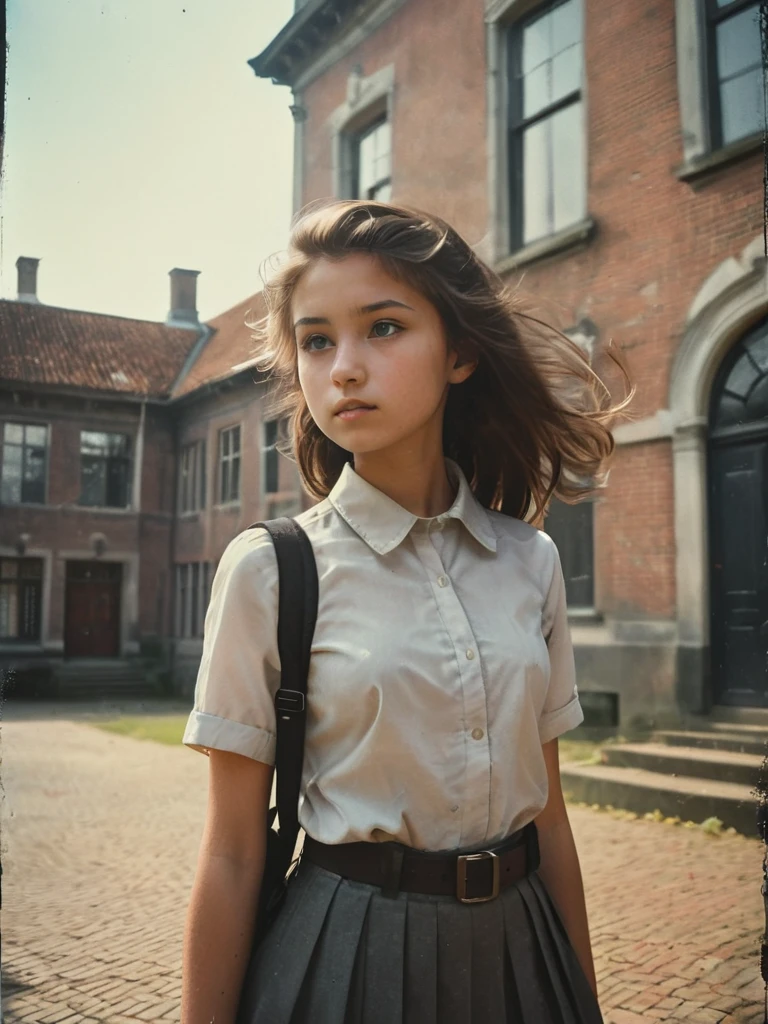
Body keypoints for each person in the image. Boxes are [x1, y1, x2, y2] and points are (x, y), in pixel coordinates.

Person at [180, 199, 632, 1024]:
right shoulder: (272, 570)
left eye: (383, 327)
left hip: (522, 950)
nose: (344, 367)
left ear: (459, 352)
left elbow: (552, 820)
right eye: (317, 340)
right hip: (344, 956)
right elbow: (235, 855)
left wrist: (583, 1001)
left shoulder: (531, 563)